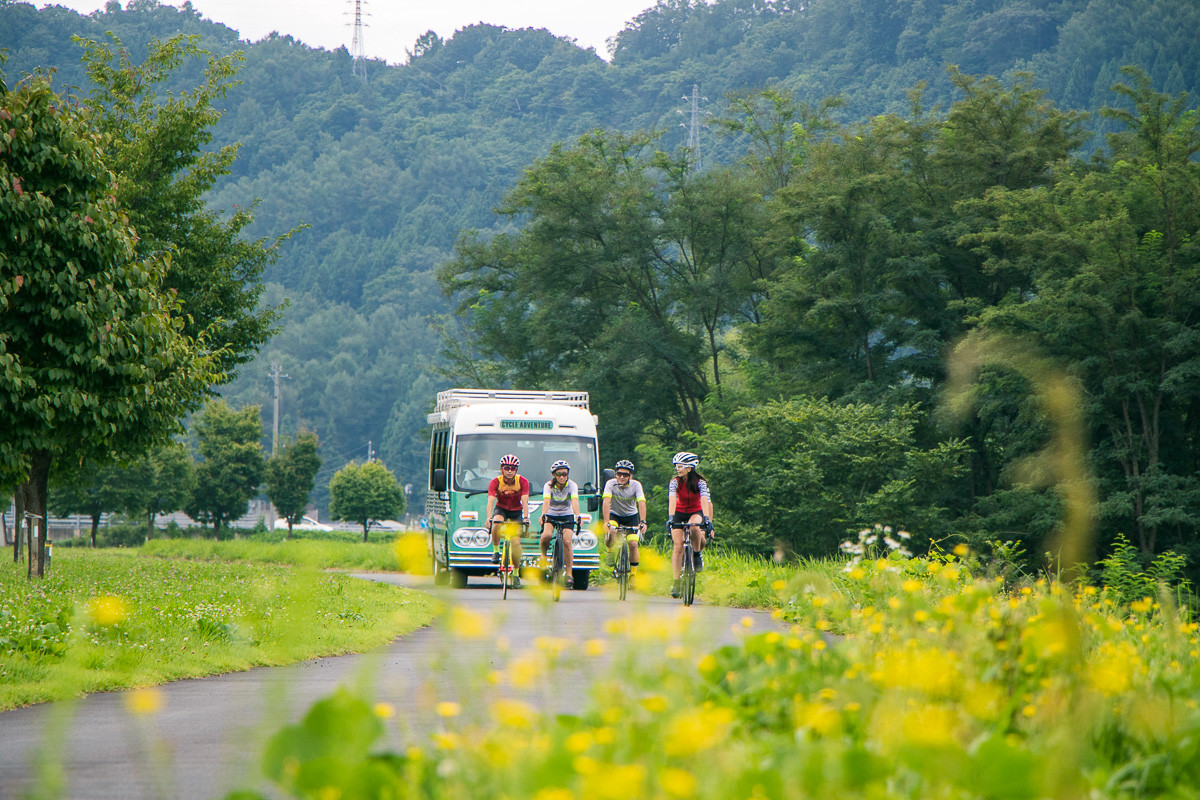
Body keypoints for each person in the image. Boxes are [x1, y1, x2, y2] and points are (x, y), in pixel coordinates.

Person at [666, 451, 713, 598]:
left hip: (695, 511)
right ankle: (676, 582)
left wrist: (707, 519)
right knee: (678, 546)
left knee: (694, 527)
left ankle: (697, 554)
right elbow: (672, 499)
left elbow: (705, 500)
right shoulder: (674, 482)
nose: (677, 469)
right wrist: (671, 518)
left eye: (680, 466)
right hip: (679, 512)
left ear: (689, 468)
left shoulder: (701, 482)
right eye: (676, 466)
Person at [486, 454, 530, 586]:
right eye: (506, 468)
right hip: (502, 509)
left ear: (516, 470)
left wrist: (526, 517)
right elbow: (491, 500)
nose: (509, 471)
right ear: (501, 469)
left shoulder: (522, 481)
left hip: (516, 511)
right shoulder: (495, 482)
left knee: (516, 544)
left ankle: (516, 574)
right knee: (496, 522)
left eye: (512, 468)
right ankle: (495, 551)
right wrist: (489, 517)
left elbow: (525, 500)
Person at [601, 459, 647, 580]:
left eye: (625, 474)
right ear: (615, 474)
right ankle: (610, 550)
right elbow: (606, 501)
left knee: (633, 544)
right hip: (614, 514)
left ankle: (633, 574)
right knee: (612, 531)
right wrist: (606, 522)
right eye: (619, 474)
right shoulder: (610, 483)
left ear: (630, 476)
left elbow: (641, 502)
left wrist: (643, 521)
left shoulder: (636, 485)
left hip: (631, 517)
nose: (621, 477)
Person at [540, 460, 580, 588]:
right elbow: (546, 501)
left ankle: (569, 573)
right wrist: (544, 514)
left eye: (564, 474)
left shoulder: (572, 485)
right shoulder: (548, 485)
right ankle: (543, 556)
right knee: (546, 535)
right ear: (554, 475)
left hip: (566, 514)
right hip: (551, 513)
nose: (562, 477)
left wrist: (577, 516)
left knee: (567, 541)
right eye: (559, 474)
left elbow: (574, 501)